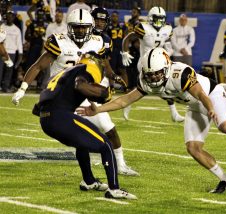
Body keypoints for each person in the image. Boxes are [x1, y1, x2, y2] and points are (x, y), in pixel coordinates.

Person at [77, 47, 226, 193]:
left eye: (156, 74)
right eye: (149, 75)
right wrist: (98, 109)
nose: (152, 79)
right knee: (193, 148)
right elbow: (124, 100)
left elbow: (200, 94)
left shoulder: (181, 73)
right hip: (193, 106)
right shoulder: (148, 80)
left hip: (210, 96)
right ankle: (225, 179)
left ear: (167, 66)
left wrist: (211, 109)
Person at [13, 8, 137, 176]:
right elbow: (38, 66)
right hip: (62, 97)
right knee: (80, 139)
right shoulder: (59, 41)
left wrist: (114, 76)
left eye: (83, 27)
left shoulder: (97, 41)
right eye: (76, 27)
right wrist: (23, 88)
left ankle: (120, 165)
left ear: (89, 26)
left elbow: (104, 65)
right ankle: (88, 178)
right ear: (69, 27)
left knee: (109, 129)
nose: (79, 30)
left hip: (85, 93)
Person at [33, 51, 136, 199]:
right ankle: (114, 189)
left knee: (82, 143)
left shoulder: (66, 72)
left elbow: (36, 108)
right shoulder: (86, 69)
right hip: (60, 117)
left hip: (45, 119)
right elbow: (80, 85)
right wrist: (104, 94)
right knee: (105, 144)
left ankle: (88, 181)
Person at [89, 7, 139, 176]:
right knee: (87, 129)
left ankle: (120, 164)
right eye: (97, 19)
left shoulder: (106, 39)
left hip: (95, 86)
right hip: (80, 85)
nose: (100, 23)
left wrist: (111, 78)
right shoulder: (82, 36)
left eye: (103, 20)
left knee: (106, 127)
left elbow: (105, 64)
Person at [121, 6, 184, 122]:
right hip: (145, 61)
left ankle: (174, 114)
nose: (159, 22)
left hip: (159, 61)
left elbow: (168, 46)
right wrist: (125, 52)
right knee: (149, 87)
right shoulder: (143, 27)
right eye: (157, 19)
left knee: (165, 85)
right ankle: (127, 105)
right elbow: (128, 38)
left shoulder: (167, 29)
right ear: (150, 18)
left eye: (161, 19)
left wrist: (167, 53)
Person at [0, 11, 23, 92]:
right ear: (6, 17)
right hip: (2, 52)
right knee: (0, 70)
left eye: (11, 16)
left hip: (12, 53)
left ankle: (5, 87)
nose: (10, 18)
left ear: (13, 17)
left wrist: (20, 56)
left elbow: (19, 44)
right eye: (8, 16)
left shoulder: (17, 30)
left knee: (9, 72)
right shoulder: (2, 27)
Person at [107, 11, 128, 87]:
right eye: (113, 16)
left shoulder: (122, 25)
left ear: (118, 17)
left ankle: (126, 87)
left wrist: (126, 50)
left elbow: (126, 37)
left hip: (120, 50)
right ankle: (111, 87)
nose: (114, 17)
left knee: (123, 69)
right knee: (111, 70)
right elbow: (106, 39)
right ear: (111, 17)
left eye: (116, 16)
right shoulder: (108, 26)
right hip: (112, 51)